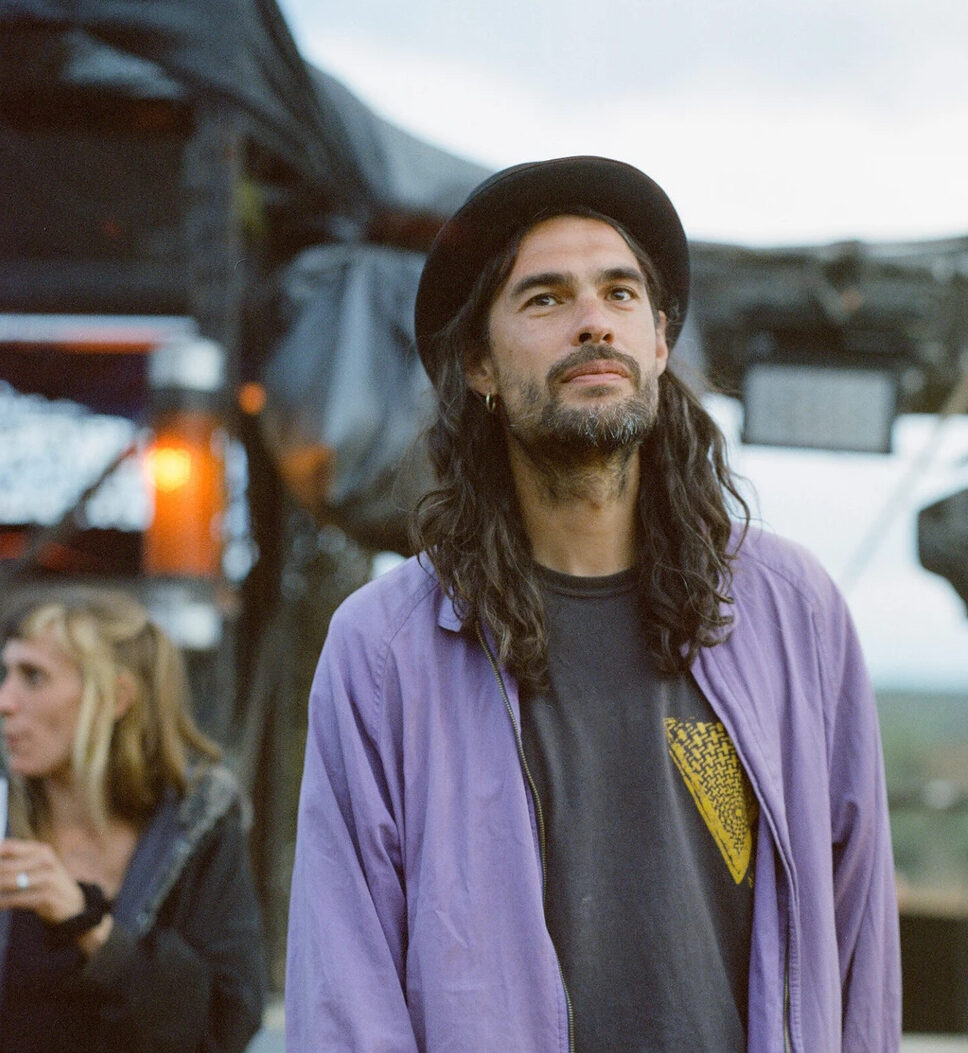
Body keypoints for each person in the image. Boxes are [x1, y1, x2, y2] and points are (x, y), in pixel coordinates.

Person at [286, 155, 901, 1051]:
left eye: (619, 294)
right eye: (544, 299)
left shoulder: (792, 610)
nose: (592, 323)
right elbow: (345, 988)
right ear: (479, 366)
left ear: (659, 342)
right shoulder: (386, 649)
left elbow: (859, 939)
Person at [0, 590, 265, 1052]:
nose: (5, 700)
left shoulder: (197, 824)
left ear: (116, 697)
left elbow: (227, 1024)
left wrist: (88, 925)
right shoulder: (5, 812)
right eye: (6, 674)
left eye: (34, 677)